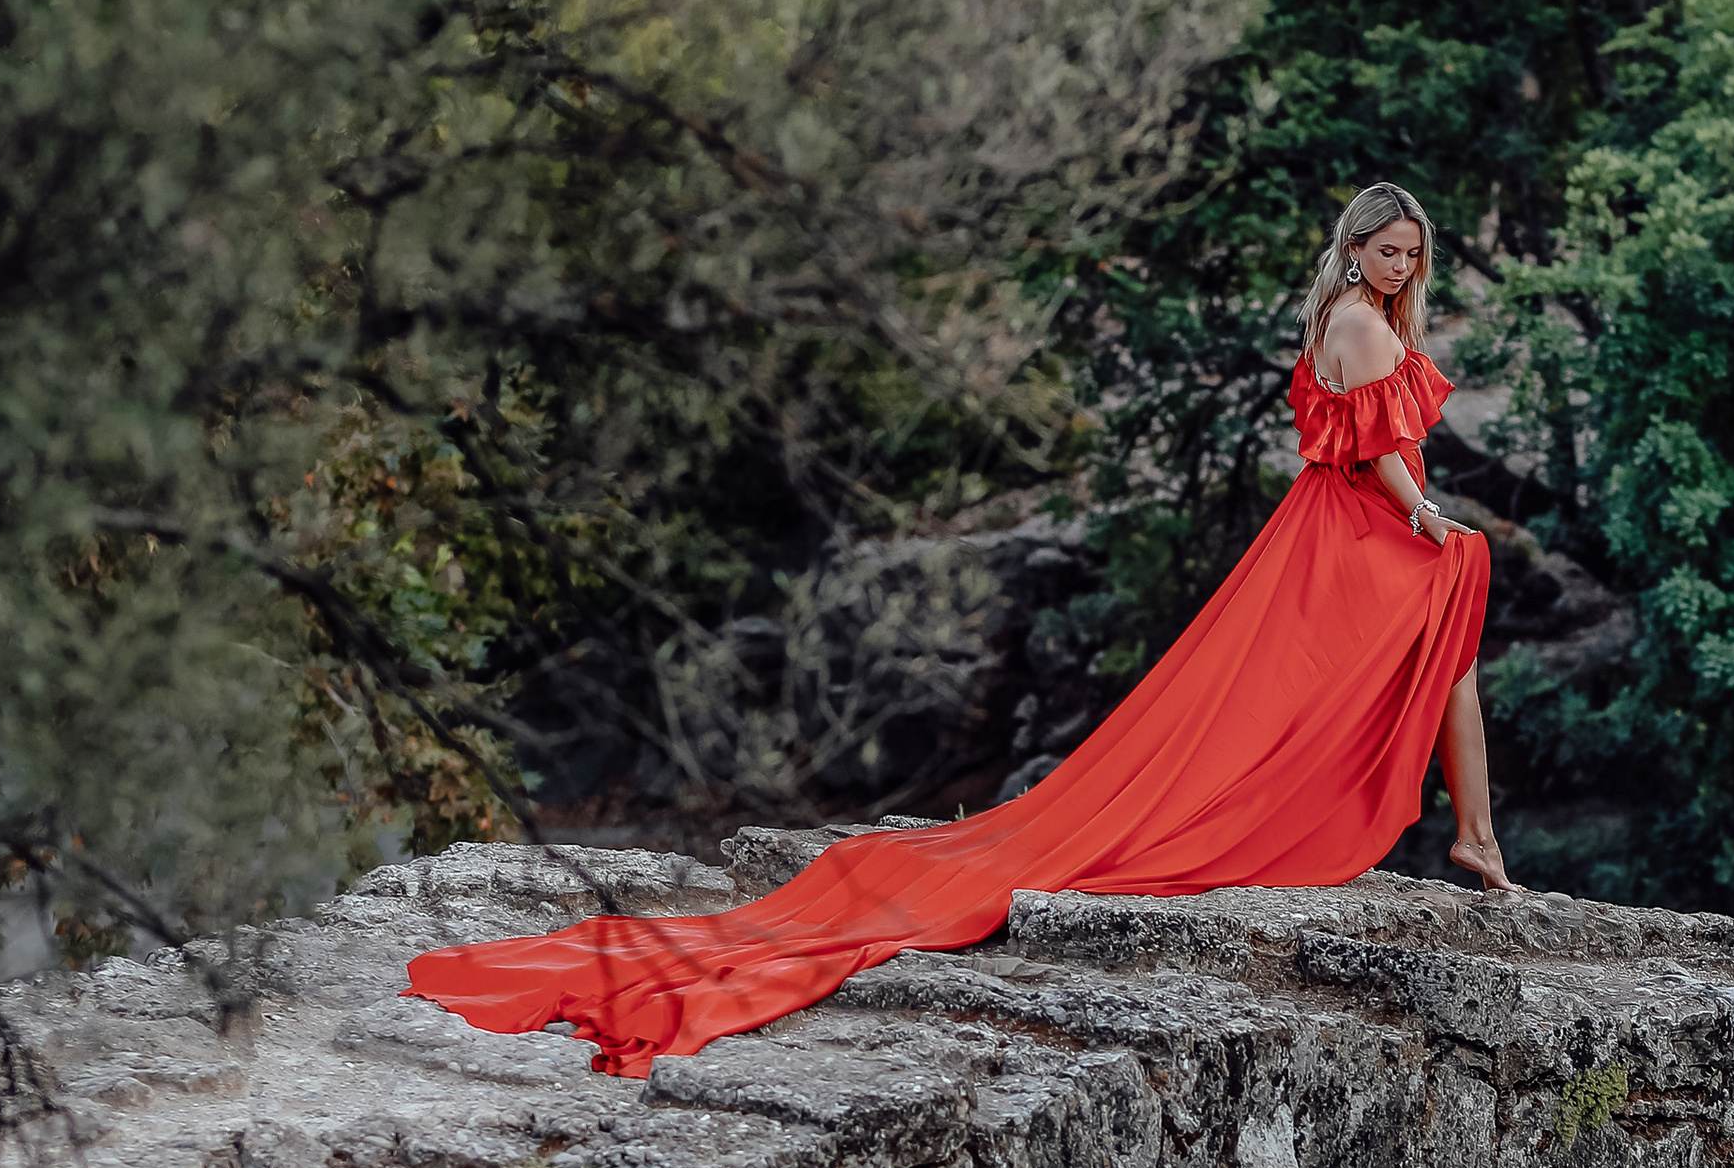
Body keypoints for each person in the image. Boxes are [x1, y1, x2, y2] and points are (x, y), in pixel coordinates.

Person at [405, 180, 1511, 1075]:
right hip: (1353, 529)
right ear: (1355, 248)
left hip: (1322, 530)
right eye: (1389, 250)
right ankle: (1475, 836)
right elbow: (1379, 456)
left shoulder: (1339, 316)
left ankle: (1472, 834)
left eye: (1414, 254)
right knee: (1457, 592)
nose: (1401, 267)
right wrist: (1428, 520)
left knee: (1434, 633)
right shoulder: (1363, 326)